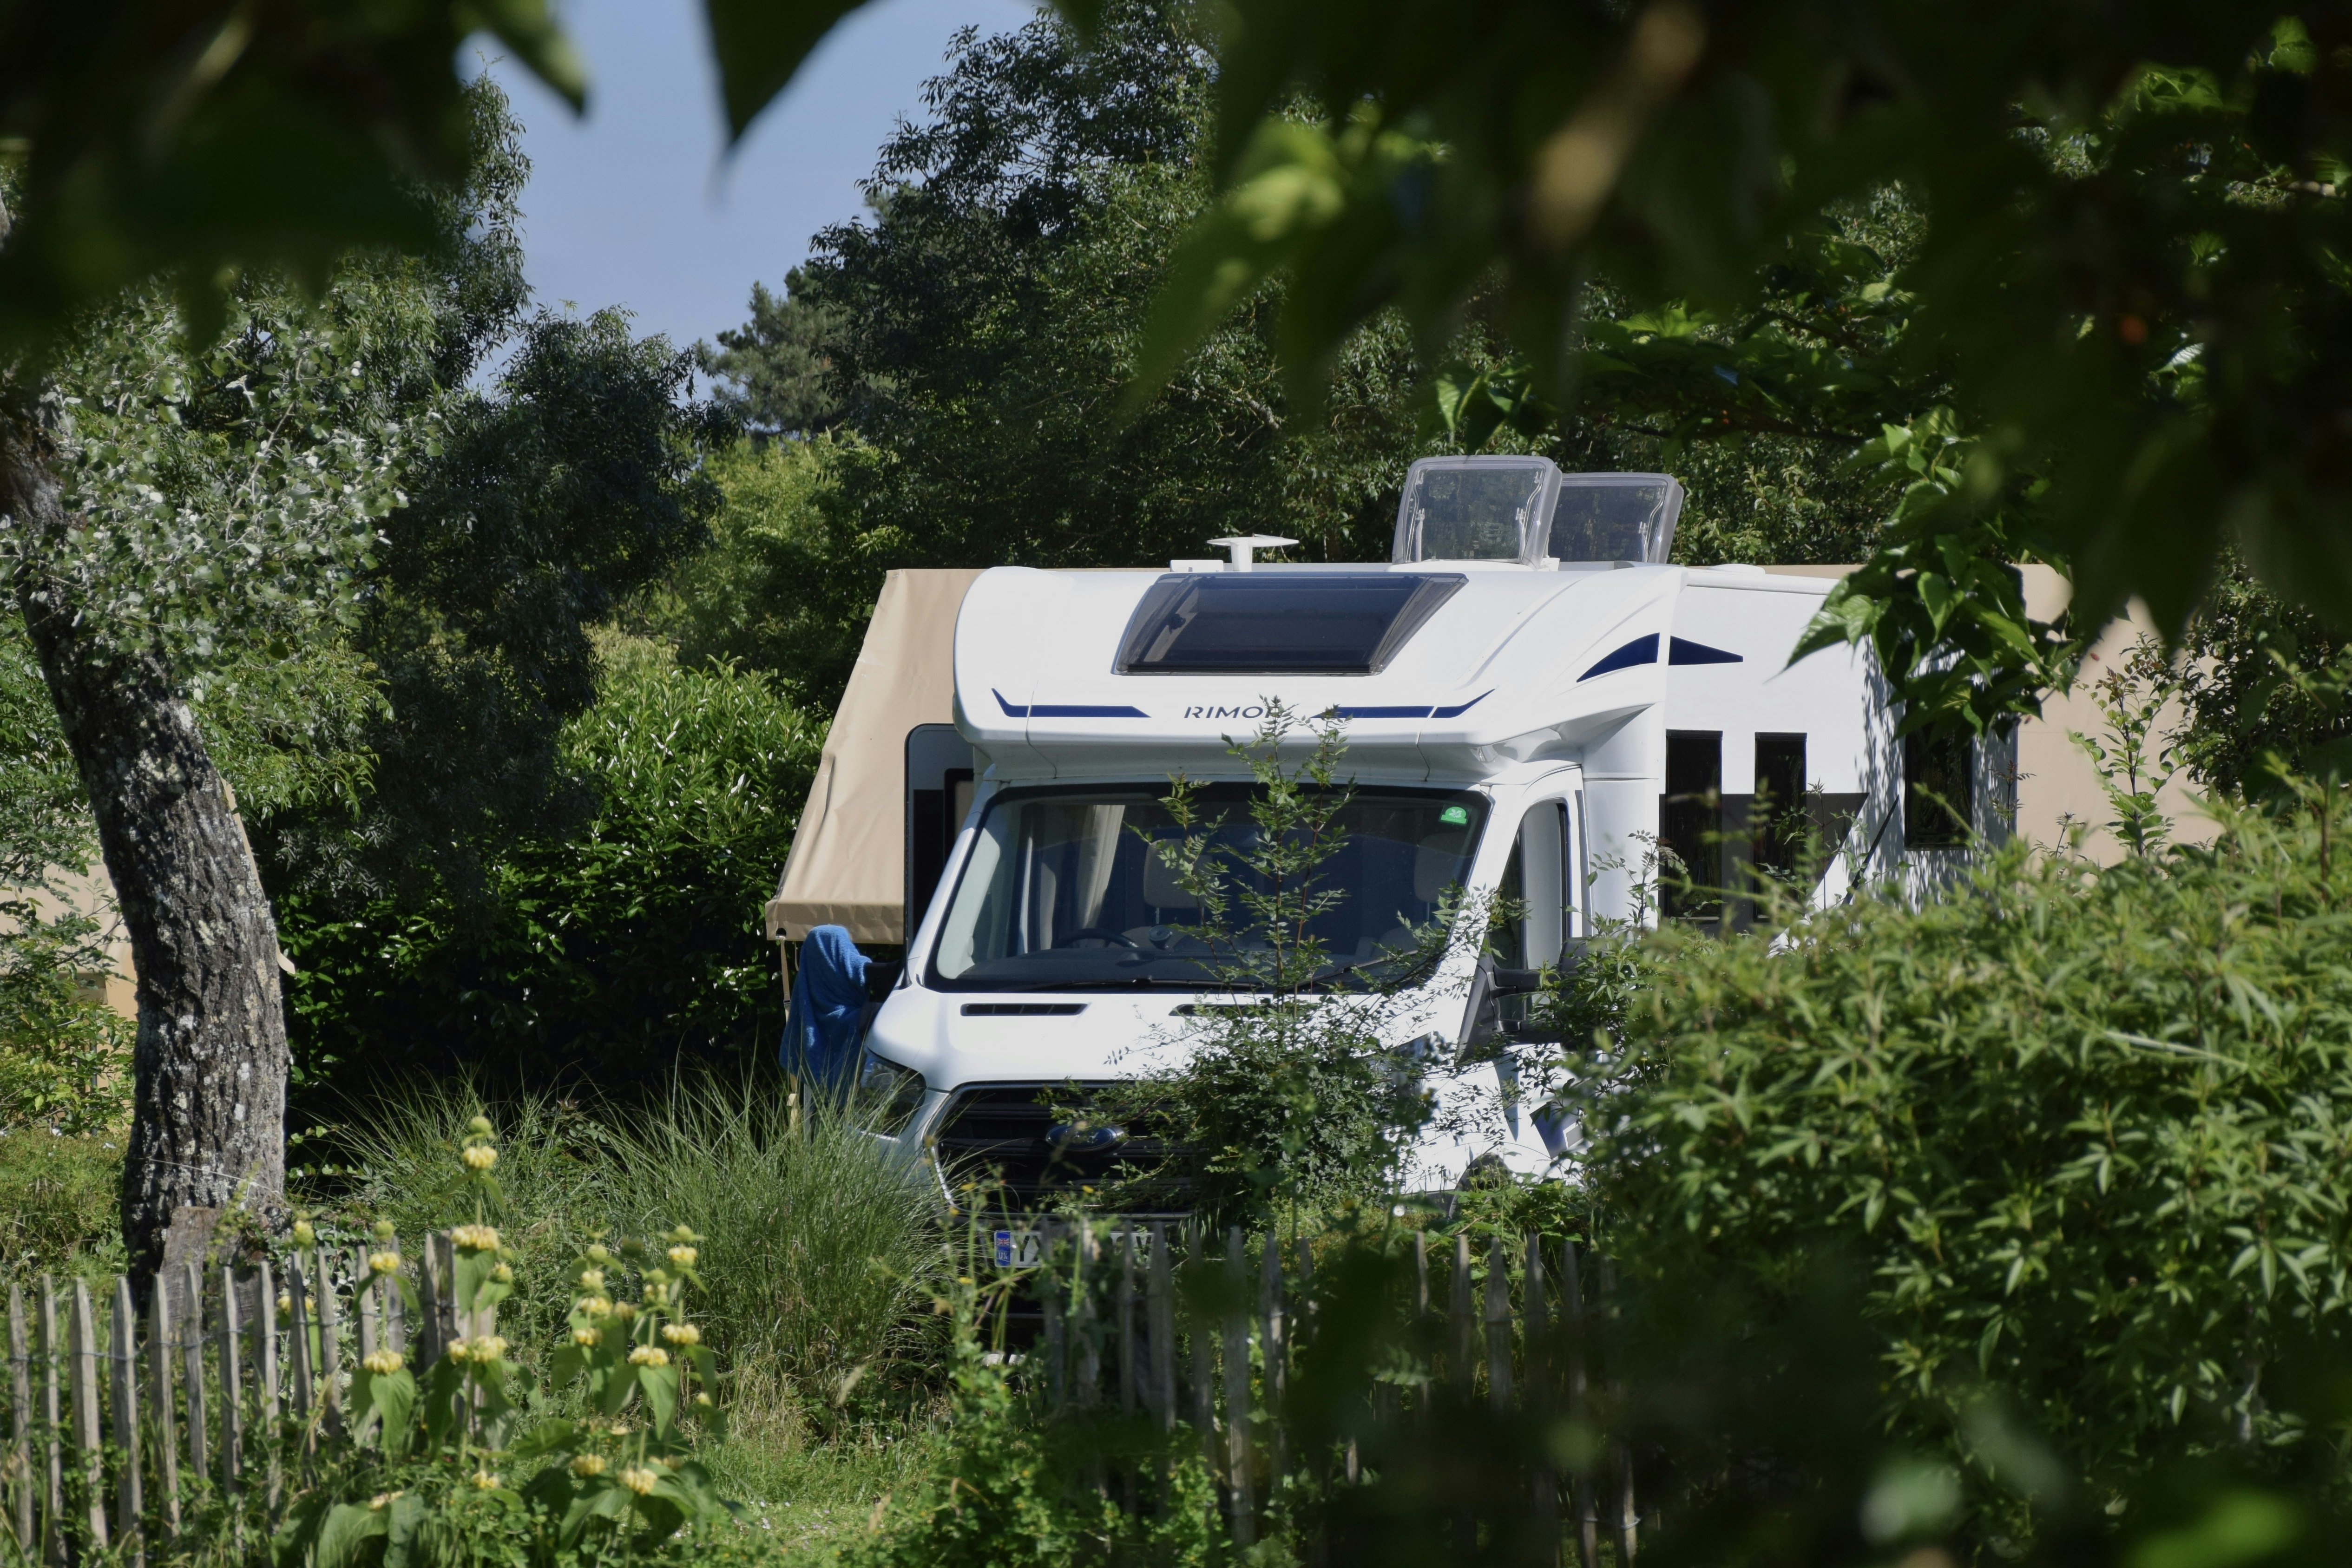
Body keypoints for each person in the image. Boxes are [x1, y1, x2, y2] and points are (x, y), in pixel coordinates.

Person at [782, 925, 871, 1099]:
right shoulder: (857, 966)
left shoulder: (806, 979)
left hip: (813, 1085)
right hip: (858, 1093)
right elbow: (866, 974)